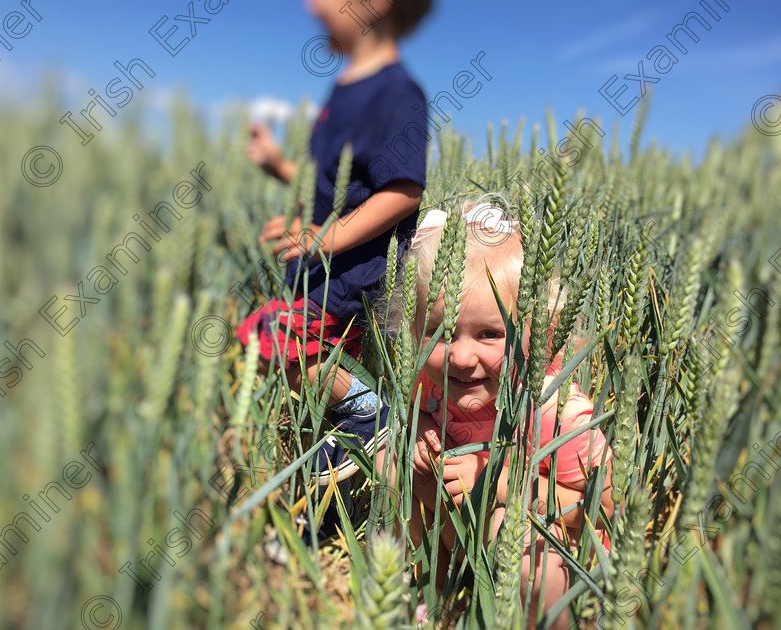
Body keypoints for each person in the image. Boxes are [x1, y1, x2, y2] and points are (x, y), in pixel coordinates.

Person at [238, 0, 433, 541]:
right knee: (285, 354)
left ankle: (373, 415)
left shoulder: (396, 93)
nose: (308, 7)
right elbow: (331, 181)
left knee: (271, 338)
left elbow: (402, 190)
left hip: (348, 277)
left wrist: (325, 237)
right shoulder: (345, 87)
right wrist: (281, 169)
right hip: (314, 271)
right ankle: (328, 505)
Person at [375, 200, 615, 629]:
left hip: (560, 559)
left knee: (512, 530)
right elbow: (418, 414)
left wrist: (497, 481)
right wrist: (422, 433)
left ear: (537, 332)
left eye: (490, 333)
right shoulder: (431, 380)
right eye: (439, 331)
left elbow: (605, 508)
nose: (461, 357)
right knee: (391, 462)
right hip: (472, 536)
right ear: (413, 331)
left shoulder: (552, 411)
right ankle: (431, 587)